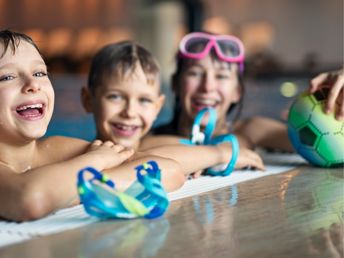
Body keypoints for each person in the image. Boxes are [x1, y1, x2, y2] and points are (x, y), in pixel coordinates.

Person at [0, 30, 185, 222]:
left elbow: (169, 172)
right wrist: (96, 161)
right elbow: (32, 200)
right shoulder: (86, 157)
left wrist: (69, 190)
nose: (33, 84)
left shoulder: (52, 149)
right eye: (7, 77)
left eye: (39, 73)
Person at [81, 41, 266, 179]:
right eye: (116, 97)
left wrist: (211, 156)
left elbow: (223, 144)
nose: (130, 112)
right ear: (88, 100)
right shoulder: (74, 151)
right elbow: (143, 159)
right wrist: (217, 155)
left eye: (144, 100)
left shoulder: (160, 143)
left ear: (157, 107)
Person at [148, 32, 295, 154]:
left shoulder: (251, 130)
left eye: (221, 76)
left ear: (237, 92)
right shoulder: (150, 138)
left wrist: (319, 93)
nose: (207, 87)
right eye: (195, 73)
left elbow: (310, 141)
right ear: (176, 85)